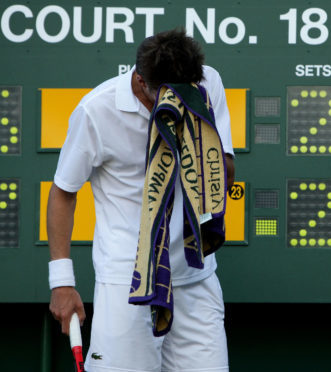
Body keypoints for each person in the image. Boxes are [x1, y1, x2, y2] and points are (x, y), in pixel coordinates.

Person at [47, 28, 235, 372]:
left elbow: (223, 175)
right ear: (139, 81)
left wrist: (197, 133)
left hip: (195, 276)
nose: (175, 103)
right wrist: (61, 282)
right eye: (165, 97)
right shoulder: (95, 110)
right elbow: (63, 192)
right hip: (126, 283)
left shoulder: (206, 85)